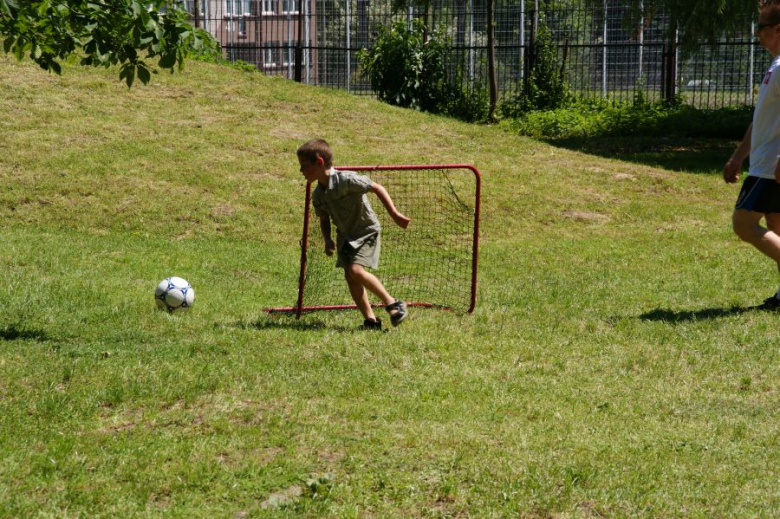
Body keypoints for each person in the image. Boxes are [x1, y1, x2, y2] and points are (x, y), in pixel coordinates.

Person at [297, 139, 411, 328]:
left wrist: (395, 214)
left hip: (366, 231)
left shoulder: (346, 179)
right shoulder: (318, 194)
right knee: (350, 277)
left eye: (304, 166)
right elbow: (324, 219)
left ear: (319, 162)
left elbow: (376, 187)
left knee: (355, 271)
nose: (301, 171)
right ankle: (370, 321)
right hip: (345, 235)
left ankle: (393, 303)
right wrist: (327, 239)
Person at [724, 0, 780, 309]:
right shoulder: (775, 66)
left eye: (760, 27)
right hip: (764, 163)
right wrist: (737, 156)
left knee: (743, 225)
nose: (756, 34)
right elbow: (760, 119)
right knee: (778, 229)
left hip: (770, 167)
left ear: (777, 29)